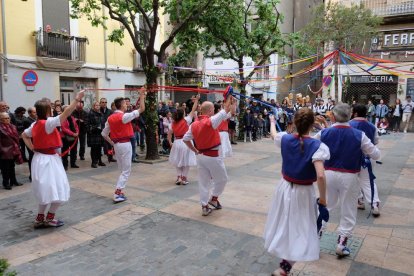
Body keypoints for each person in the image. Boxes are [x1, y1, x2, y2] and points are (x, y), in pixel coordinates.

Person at [264, 108, 329, 276]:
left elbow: (273, 134)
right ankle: (285, 267)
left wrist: (272, 121)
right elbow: (320, 175)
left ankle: (284, 265)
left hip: (284, 187)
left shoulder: (285, 139)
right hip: (303, 192)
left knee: (285, 223)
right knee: (303, 227)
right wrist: (323, 199)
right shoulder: (317, 146)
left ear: (294, 122)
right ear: (311, 124)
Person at [314, 103, 380, 257]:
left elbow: (310, 146)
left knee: (325, 206)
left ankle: (315, 238)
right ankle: (341, 244)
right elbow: (376, 153)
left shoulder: (324, 133)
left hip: (328, 174)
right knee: (348, 210)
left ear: (333, 116)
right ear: (350, 116)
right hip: (350, 176)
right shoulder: (359, 135)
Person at [22, 91, 85, 228]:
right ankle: (49, 218)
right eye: (50, 107)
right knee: (58, 189)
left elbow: (24, 135)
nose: (52, 109)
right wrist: (77, 99)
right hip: (49, 161)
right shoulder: (48, 123)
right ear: (45, 110)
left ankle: (40, 218)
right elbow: (66, 113)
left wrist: (33, 148)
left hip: (39, 159)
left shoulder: (35, 124)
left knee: (45, 191)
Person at [183, 96, 236, 216]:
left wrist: (194, 150)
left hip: (201, 156)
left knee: (203, 182)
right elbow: (226, 110)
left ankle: (204, 206)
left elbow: (185, 139)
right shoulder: (211, 121)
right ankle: (214, 198)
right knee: (222, 179)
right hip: (213, 156)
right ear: (211, 111)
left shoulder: (194, 124)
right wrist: (229, 98)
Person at [101, 89, 146, 203]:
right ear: (121, 105)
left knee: (122, 170)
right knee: (126, 171)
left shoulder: (110, 118)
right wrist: (141, 95)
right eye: (125, 103)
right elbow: (142, 109)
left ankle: (119, 191)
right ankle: (117, 193)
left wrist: (112, 143)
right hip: (125, 145)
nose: (127, 105)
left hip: (117, 145)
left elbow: (104, 134)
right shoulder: (124, 117)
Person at [350, 104, 381, 217]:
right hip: (368, 158)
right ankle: (374, 204)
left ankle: (360, 200)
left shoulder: (349, 125)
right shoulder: (372, 126)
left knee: (353, 180)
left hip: (352, 158)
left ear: (355, 113)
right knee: (368, 181)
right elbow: (375, 142)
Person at [168, 95, 200, 185]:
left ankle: (179, 177)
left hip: (177, 143)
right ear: (183, 114)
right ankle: (184, 177)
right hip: (186, 142)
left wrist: (170, 142)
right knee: (187, 161)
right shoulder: (186, 120)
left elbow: (169, 134)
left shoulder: (173, 123)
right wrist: (196, 100)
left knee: (178, 161)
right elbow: (193, 109)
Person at [0, 112, 23, 190]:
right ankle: (6, 183)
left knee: (12, 166)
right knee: (5, 168)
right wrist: (2, 150)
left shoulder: (13, 126)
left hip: (13, 149)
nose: (7, 120)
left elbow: (16, 137)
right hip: (5, 150)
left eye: (8, 118)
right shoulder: (0, 127)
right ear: (1, 120)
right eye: (5, 118)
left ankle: (13, 181)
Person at [87, 102, 106, 168]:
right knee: (94, 149)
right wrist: (95, 127)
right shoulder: (90, 114)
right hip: (94, 134)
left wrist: (103, 127)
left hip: (100, 133)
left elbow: (103, 122)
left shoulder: (101, 113)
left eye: (98, 105)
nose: (98, 106)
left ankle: (99, 161)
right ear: (93, 106)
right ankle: (93, 162)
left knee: (99, 148)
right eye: (96, 105)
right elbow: (88, 124)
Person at [61, 106, 80, 170]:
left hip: (74, 137)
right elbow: (63, 128)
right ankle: (65, 165)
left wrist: (77, 132)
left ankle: (73, 163)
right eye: (67, 109)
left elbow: (76, 126)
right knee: (65, 151)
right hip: (65, 137)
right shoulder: (62, 118)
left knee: (74, 151)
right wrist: (73, 133)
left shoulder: (72, 117)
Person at [23, 107, 37, 181]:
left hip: (36, 141)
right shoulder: (27, 120)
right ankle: (31, 175)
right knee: (32, 158)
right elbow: (27, 134)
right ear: (29, 113)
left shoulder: (35, 120)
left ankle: (35, 174)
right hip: (30, 142)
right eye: (34, 112)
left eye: (36, 112)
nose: (35, 113)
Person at [100, 98, 116, 163]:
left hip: (108, 131)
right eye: (103, 102)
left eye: (105, 102)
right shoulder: (98, 111)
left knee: (109, 145)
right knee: (101, 145)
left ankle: (110, 157)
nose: (104, 103)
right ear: (100, 103)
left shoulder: (110, 111)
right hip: (100, 130)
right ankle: (99, 160)